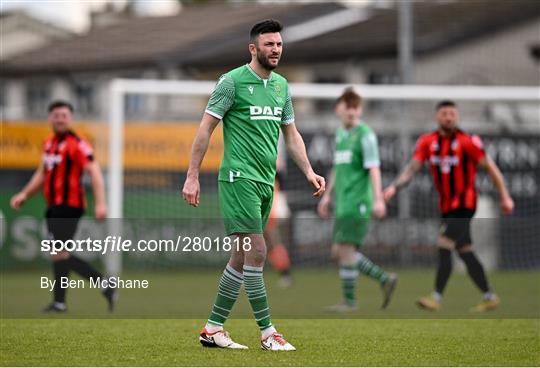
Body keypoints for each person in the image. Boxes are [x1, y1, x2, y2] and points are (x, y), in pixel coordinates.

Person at [182, 19, 325, 351]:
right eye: (269, 44)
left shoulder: (281, 87)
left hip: (265, 183)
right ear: (253, 48)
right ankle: (267, 333)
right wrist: (192, 175)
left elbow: (291, 135)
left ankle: (213, 329)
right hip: (237, 179)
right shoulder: (231, 82)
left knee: (240, 257)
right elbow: (205, 130)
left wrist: (308, 171)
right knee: (259, 249)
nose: (275, 49)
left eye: (279, 44)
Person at [383, 100, 514, 312]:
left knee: (444, 243)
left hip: (465, 203)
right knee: (465, 250)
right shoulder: (428, 142)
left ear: (457, 116)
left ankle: (436, 297)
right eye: (444, 113)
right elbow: (411, 169)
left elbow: (491, 169)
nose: (449, 117)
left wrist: (505, 196)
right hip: (446, 207)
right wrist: (394, 187)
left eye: (452, 113)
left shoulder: (467, 142)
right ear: (437, 117)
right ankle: (490, 296)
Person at [10, 100, 116, 313]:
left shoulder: (77, 143)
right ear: (50, 118)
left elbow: (94, 171)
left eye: (64, 115)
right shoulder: (48, 143)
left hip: (69, 206)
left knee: (58, 251)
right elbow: (42, 173)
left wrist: (101, 203)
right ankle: (64, 301)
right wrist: (25, 194)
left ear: (70, 118)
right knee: (59, 253)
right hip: (55, 205)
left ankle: (100, 284)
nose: (60, 119)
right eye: (56, 115)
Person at [318, 88, 397, 312]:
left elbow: (374, 169)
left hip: (358, 201)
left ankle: (354, 299)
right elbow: (337, 167)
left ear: (360, 109)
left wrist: (379, 199)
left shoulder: (366, 135)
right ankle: (382, 280)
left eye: (356, 107)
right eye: (348, 106)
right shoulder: (341, 134)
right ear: (338, 109)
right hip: (343, 201)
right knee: (339, 252)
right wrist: (328, 196)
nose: (352, 111)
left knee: (345, 251)